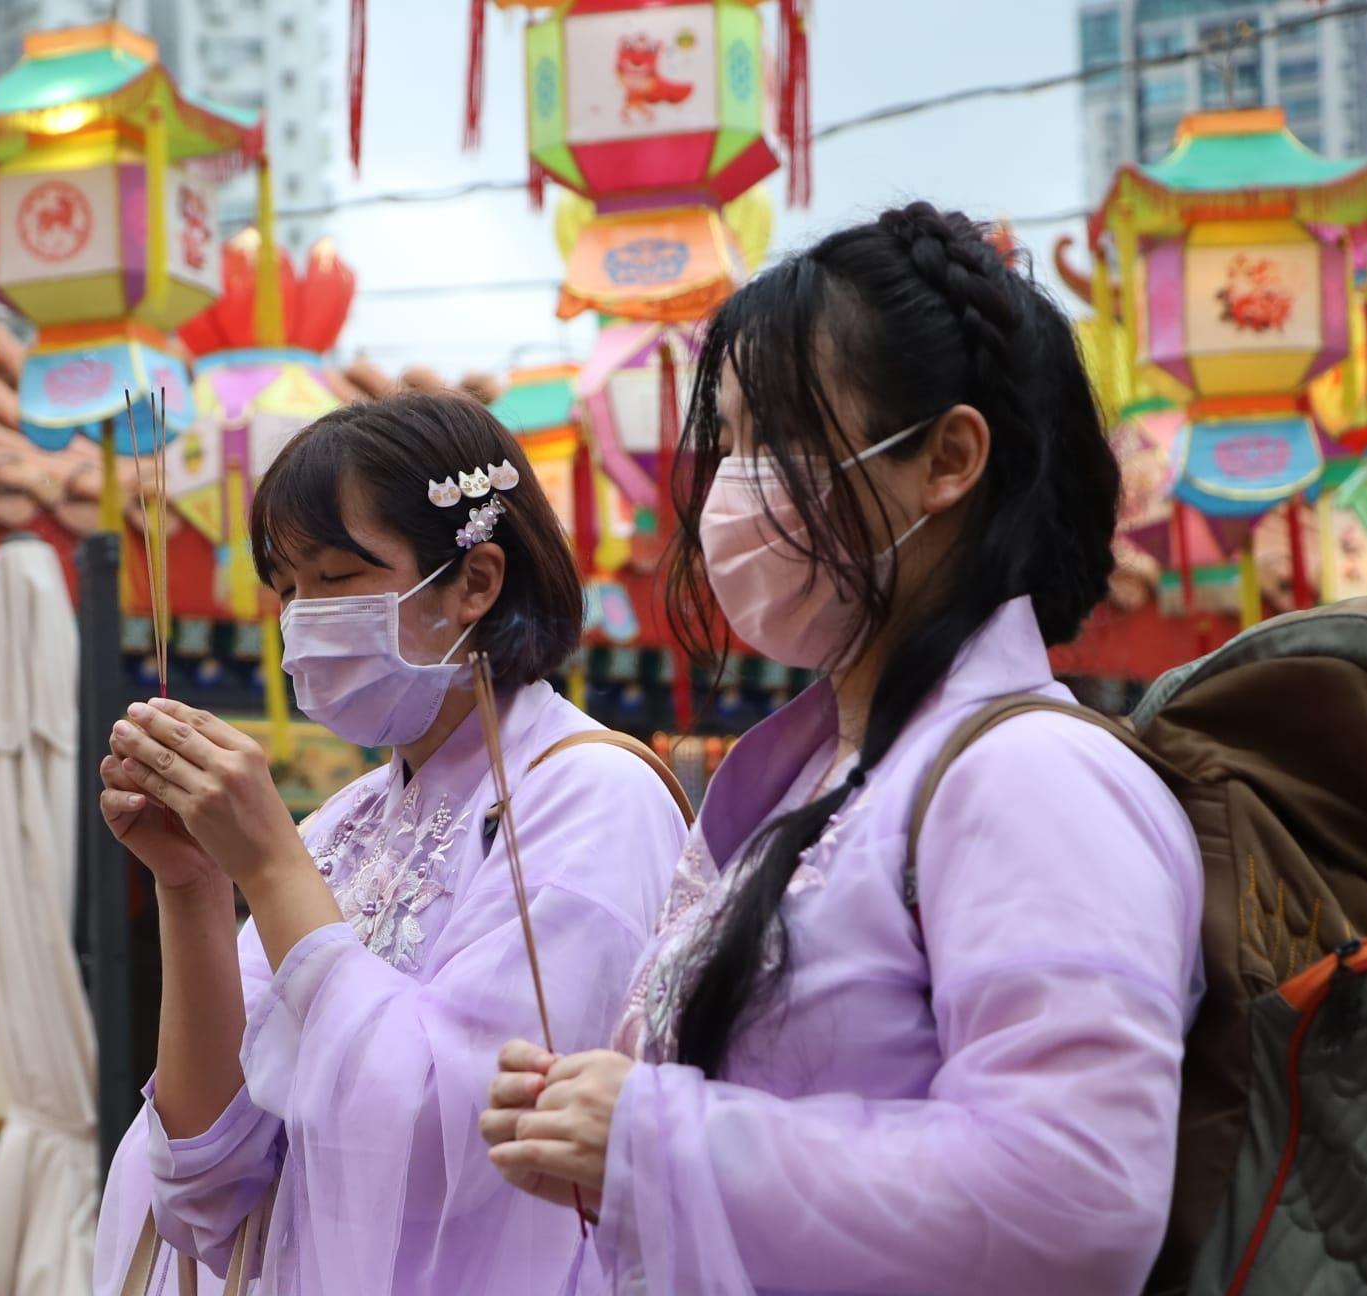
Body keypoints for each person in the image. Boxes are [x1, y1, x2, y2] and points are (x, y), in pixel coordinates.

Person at [480, 204, 1204, 1295]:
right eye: (730, 443)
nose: (735, 487)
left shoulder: (1032, 777)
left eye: (777, 437)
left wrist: (658, 1137)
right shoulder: (827, 776)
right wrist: (605, 1138)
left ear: (947, 459)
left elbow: (1074, 1196)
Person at [90, 392, 689, 1295]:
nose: (301, 618)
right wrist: (194, 886)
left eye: (335, 577)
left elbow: (457, 1145)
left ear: (475, 582)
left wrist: (270, 866)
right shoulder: (342, 824)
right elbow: (203, 1179)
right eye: (288, 590)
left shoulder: (595, 796)